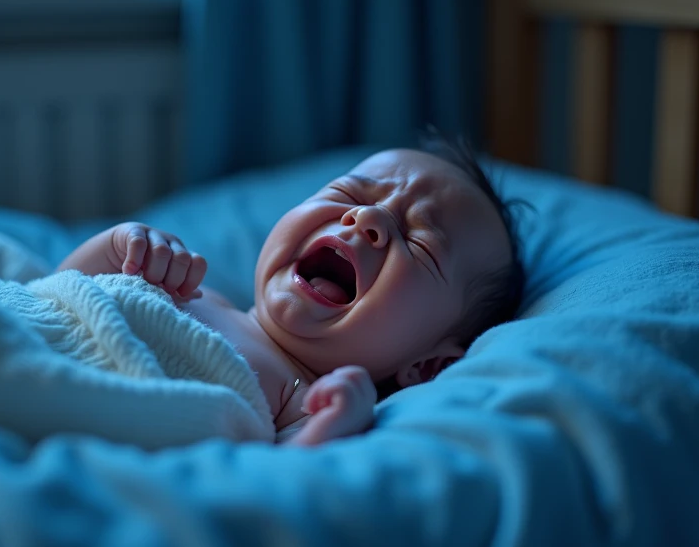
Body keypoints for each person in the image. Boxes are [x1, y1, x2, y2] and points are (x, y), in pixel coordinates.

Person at [58, 142, 525, 446]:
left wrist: (336, 422)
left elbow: (277, 481)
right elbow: (59, 294)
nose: (368, 220)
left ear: (426, 366)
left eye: (421, 243)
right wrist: (119, 246)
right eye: (350, 193)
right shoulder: (193, 289)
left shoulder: (302, 399)